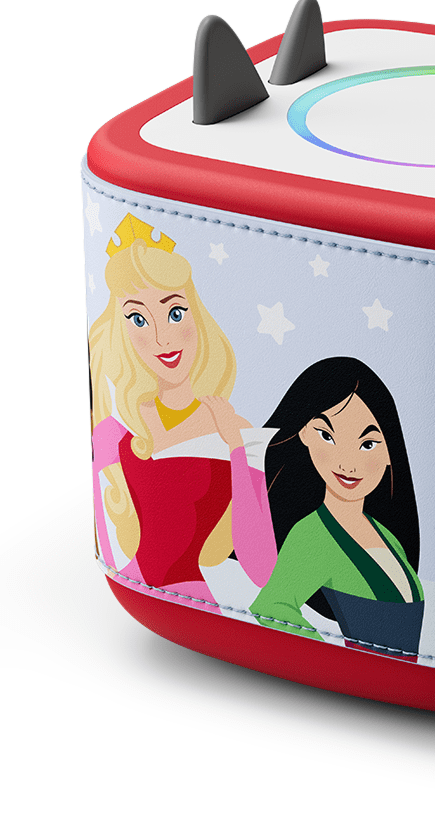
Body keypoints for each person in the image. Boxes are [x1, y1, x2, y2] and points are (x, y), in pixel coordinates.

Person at [88, 214, 277, 613]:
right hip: (140, 592)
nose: (162, 338)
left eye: (175, 312)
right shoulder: (119, 424)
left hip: (198, 600)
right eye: (138, 319)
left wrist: (237, 449)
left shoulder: (233, 429)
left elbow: (261, 567)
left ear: (197, 314)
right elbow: (111, 542)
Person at [250, 357, 424, 660]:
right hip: (371, 681)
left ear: (389, 452)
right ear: (304, 433)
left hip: (404, 679)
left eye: (368, 444)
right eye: (327, 436)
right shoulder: (312, 535)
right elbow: (271, 606)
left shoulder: (388, 536)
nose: (348, 463)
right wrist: (331, 660)